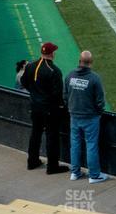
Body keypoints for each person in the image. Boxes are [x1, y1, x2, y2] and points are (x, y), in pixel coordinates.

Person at [21, 42, 68, 174]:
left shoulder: (31, 66)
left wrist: (35, 93)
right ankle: (52, 166)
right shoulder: (54, 70)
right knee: (52, 136)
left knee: (35, 133)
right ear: (52, 53)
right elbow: (57, 93)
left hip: (35, 106)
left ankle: (32, 161)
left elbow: (24, 82)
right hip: (49, 109)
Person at [66, 50, 108, 184]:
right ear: (91, 63)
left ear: (79, 61)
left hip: (74, 116)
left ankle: (75, 172)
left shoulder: (70, 76)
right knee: (91, 145)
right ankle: (94, 175)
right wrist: (99, 111)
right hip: (90, 117)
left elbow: (65, 95)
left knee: (75, 145)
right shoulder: (94, 78)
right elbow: (100, 101)